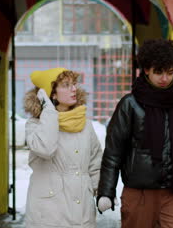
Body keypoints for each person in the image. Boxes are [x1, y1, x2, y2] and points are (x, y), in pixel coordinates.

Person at [97, 39, 173, 227]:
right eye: (159, 72)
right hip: (139, 192)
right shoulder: (130, 104)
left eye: (170, 72)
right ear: (147, 69)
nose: (165, 78)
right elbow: (113, 151)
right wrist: (106, 191)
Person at [23, 67, 103, 228]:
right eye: (66, 85)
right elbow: (46, 148)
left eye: (74, 84)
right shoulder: (34, 125)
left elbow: (95, 164)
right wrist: (49, 111)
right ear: (51, 93)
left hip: (83, 214)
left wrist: (103, 193)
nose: (74, 89)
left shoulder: (85, 125)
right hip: (49, 215)